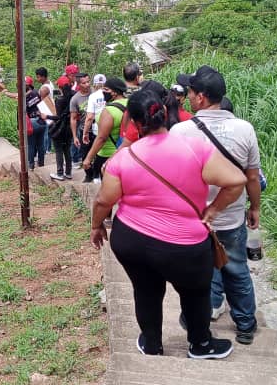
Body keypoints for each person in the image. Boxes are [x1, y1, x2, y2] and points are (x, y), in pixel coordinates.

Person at [90, 85, 246, 359]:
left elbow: (104, 201)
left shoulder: (123, 159)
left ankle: (152, 344)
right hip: (185, 246)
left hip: (132, 240)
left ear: (136, 124)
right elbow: (236, 181)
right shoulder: (195, 148)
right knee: (195, 293)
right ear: (163, 112)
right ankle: (201, 345)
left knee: (146, 290)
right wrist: (212, 211)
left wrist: (96, 226)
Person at [171, 67, 262, 345]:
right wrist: (255, 208)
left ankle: (198, 316)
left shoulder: (180, 131)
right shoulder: (245, 129)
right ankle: (245, 324)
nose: (187, 96)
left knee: (198, 271)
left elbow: (173, 177)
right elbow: (252, 176)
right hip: (231, 216)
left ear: (200, 97)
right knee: (236, 268)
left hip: (194, 218)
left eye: (190, 92)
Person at [83, 76, 127, 183]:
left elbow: (102, 138)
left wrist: (88, 158)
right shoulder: (130, 103)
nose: (103, 91)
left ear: (115, 92)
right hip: (125, 152)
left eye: (106, 89)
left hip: (108, 154)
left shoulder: (109, 111)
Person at [82, 73, 108, 178]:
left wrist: (85, 132)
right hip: (112, 127)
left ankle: (97, 176)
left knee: (98, 151)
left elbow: (89, 117)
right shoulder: (112, 94)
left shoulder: (93, 96)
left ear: (95, 84)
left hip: (98, 128)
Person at [50, 74, 75, 181]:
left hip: (61, 128)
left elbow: (58, 117)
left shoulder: (60, 100)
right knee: (67, 149)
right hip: (70, 127)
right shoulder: (74, 96)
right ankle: (68, 172)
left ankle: (60, 173)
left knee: (59, 150)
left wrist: (46, 116)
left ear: (60, 87)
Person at [69, 72, 91, 170]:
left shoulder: (96, 93)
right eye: (84, 83)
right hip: (84, 131)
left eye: (88, 82)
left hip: (98, 129)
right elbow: (73, 119)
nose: (87, 84)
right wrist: (74, 137)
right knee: (85, 157)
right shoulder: (75, 99)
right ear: (78, 84)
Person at [35, 67, 56, 155]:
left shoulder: (44, 89)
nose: (37, 79)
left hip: (46, 111)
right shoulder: (50, 83)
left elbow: (42, 102)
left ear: (43, 77)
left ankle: (45, 150)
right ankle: (48, 149)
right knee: (49, 131)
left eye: (38, 77)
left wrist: (40, 113)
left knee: (45, 132)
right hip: (51, 109)